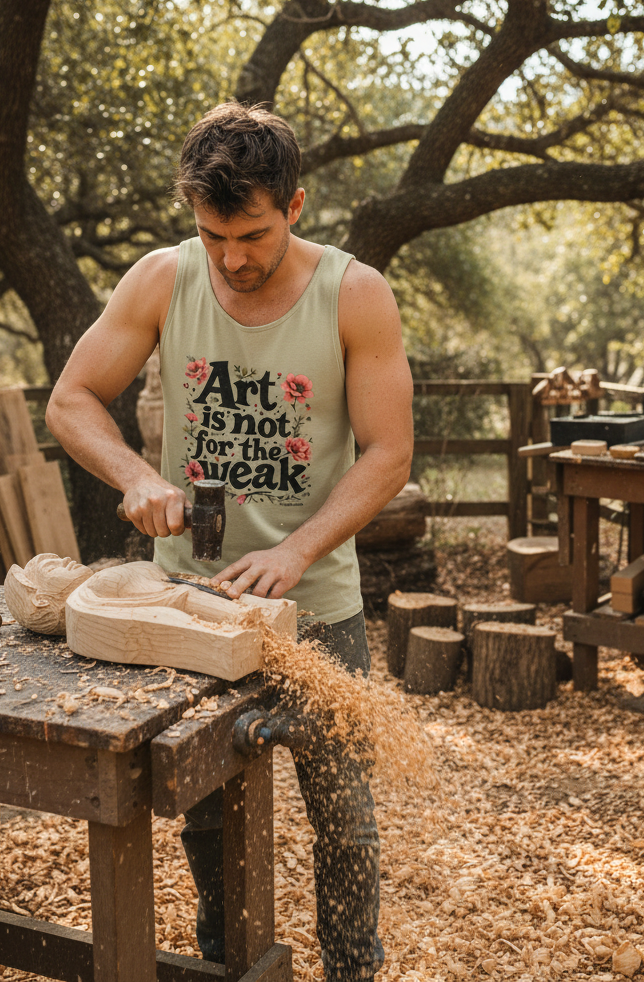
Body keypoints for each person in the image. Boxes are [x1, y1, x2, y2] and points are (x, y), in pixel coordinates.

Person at [46, 100, 414, 982]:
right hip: (192, 611)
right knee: (204, 811)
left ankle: (352, 972)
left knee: (345, 817)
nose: (232, 259)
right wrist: (138, 477)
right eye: (213, 236)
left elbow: (391, 454)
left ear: (294, 206)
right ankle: (225, 966)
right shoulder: (163, 279)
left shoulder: (354, 292)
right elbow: (70, 400)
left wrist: (297, 551)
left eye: (251, 234)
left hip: (315, 612)